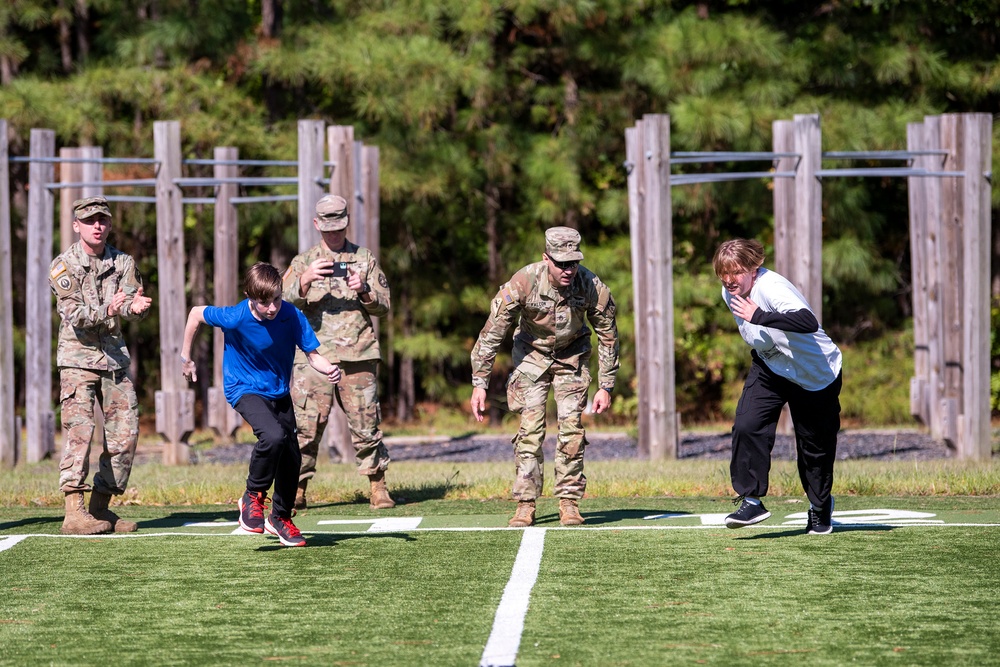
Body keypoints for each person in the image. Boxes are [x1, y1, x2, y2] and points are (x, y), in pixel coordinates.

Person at [181, 262, 342, 547]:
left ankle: (280, 517)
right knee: (273, 436)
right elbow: (195, 315)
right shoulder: (235, 316)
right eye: (264, 302)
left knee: (293, 455)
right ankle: (252, 496)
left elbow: (312, 355)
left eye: (277, 299)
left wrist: (328, 368)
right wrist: (186, 358)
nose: (272, 308)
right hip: (242, 388)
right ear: (249, 296)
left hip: (278, 392)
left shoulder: (291, 315)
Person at [470, 227, 619, 527]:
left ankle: (569, 502)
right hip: (531, 357)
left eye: (572, 262)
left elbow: (608, 336)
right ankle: (525, 503)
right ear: (545, 258)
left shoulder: (590, 285)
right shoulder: (523, 282)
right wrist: (479, 382)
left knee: (571, 431)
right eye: (560, 263)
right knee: (530, 431)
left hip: (572, 357)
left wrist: (606, 385)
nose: (568, 270)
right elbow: (492, 333)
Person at [713, 238, 843, 535]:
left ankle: (821, 506)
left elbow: (807, 321)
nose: (730, 281)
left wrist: (760, 316)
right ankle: (751, 500)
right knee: (747, 425)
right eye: (724, 273)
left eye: (736, 272)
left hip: (815, 374)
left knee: (815, 449)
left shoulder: (773, 288)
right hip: (771, 366)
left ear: (754, 268)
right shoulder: (728, 291)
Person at [49, 196, 153, 535]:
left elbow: (129, 300)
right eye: (90, 220)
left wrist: (135, 309)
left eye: (103, 220)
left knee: (126, 432)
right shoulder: (63, 265)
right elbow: (74, 315)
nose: (97, 226)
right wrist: (110, 310)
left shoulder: (122, 262)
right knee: (80, 433)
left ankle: (100, 507)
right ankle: (73, 512)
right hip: (77, 359)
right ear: (76, 225)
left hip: (113, 359)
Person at [282, 194, 394, 511]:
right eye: (327, 228)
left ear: (346, 224)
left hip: (357, 354)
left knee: (366, 423)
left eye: (338, 228)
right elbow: (276, 305)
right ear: (317, 224)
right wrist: (303, 281)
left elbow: (384, 306)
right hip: (313, 357)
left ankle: (378, 486)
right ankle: (296, 489)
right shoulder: (303, 262)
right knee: (305, 425)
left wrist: (364, 290)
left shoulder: (364, 259)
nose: (333, 234)